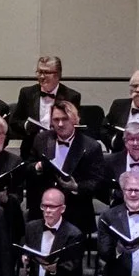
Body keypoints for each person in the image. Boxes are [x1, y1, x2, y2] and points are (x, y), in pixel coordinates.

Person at [34, 97, 108, 230]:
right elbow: (27, 165)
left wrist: (76, 187)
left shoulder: (91, 146)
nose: (60, 124)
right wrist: (37, 167)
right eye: (56, 120)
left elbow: (98, 182)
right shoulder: (41, 139)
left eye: (65, 119)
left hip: (76, 210)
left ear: (74, 120)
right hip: (43, 209)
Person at [8, 54, 81, 146]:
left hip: (60, 146)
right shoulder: (27, 93)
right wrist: (26, 125)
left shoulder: (71, 96)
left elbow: (75, 126)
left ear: (58, 75)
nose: (42, 77)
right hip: (31, 149)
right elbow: (14, 122)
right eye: (39, 72)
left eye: (46, 72)